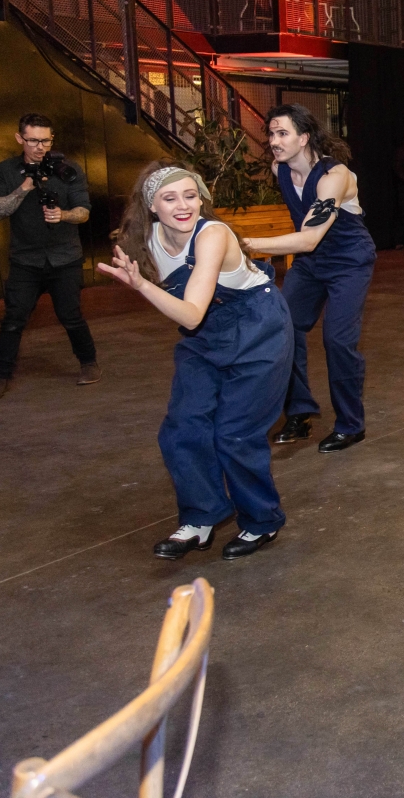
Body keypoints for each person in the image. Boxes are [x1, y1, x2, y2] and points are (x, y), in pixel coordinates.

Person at [96, 162, 290, 560]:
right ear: (152, 206)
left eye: (191, 195)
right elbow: (191, 315)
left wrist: (141, 285)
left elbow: (190, 314)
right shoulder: (145, 241)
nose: (183, 205)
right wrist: (140, 280)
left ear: (202, 199)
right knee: (182, 426)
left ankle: (261, 521)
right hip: (205, 337)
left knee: (234, 433)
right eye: (169, 198)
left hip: (258, 328)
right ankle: (201, 519)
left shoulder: (212, 235)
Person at [242, 104, 377, 454]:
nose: (273, 141)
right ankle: (299, 412)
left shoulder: (335, 176)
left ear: (304, 138)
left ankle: (351, 425)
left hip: (348, 260)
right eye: (271, 134)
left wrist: (246, 245)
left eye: (282, 133)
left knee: (337, 340)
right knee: (283, 328)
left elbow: (309, 237)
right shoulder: (280, 169)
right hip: (310, 264)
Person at [0, 114, 99, 403]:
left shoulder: (68, 169)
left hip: (64, 257)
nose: (40, 147)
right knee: (13, 319)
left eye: (46, 140)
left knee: (71, 315)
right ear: (19, 138)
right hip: (25, 259)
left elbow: (84, 211)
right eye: (33, 140)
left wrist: (63, 215)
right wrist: (24, 187)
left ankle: (89, 363)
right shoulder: (6, 170)